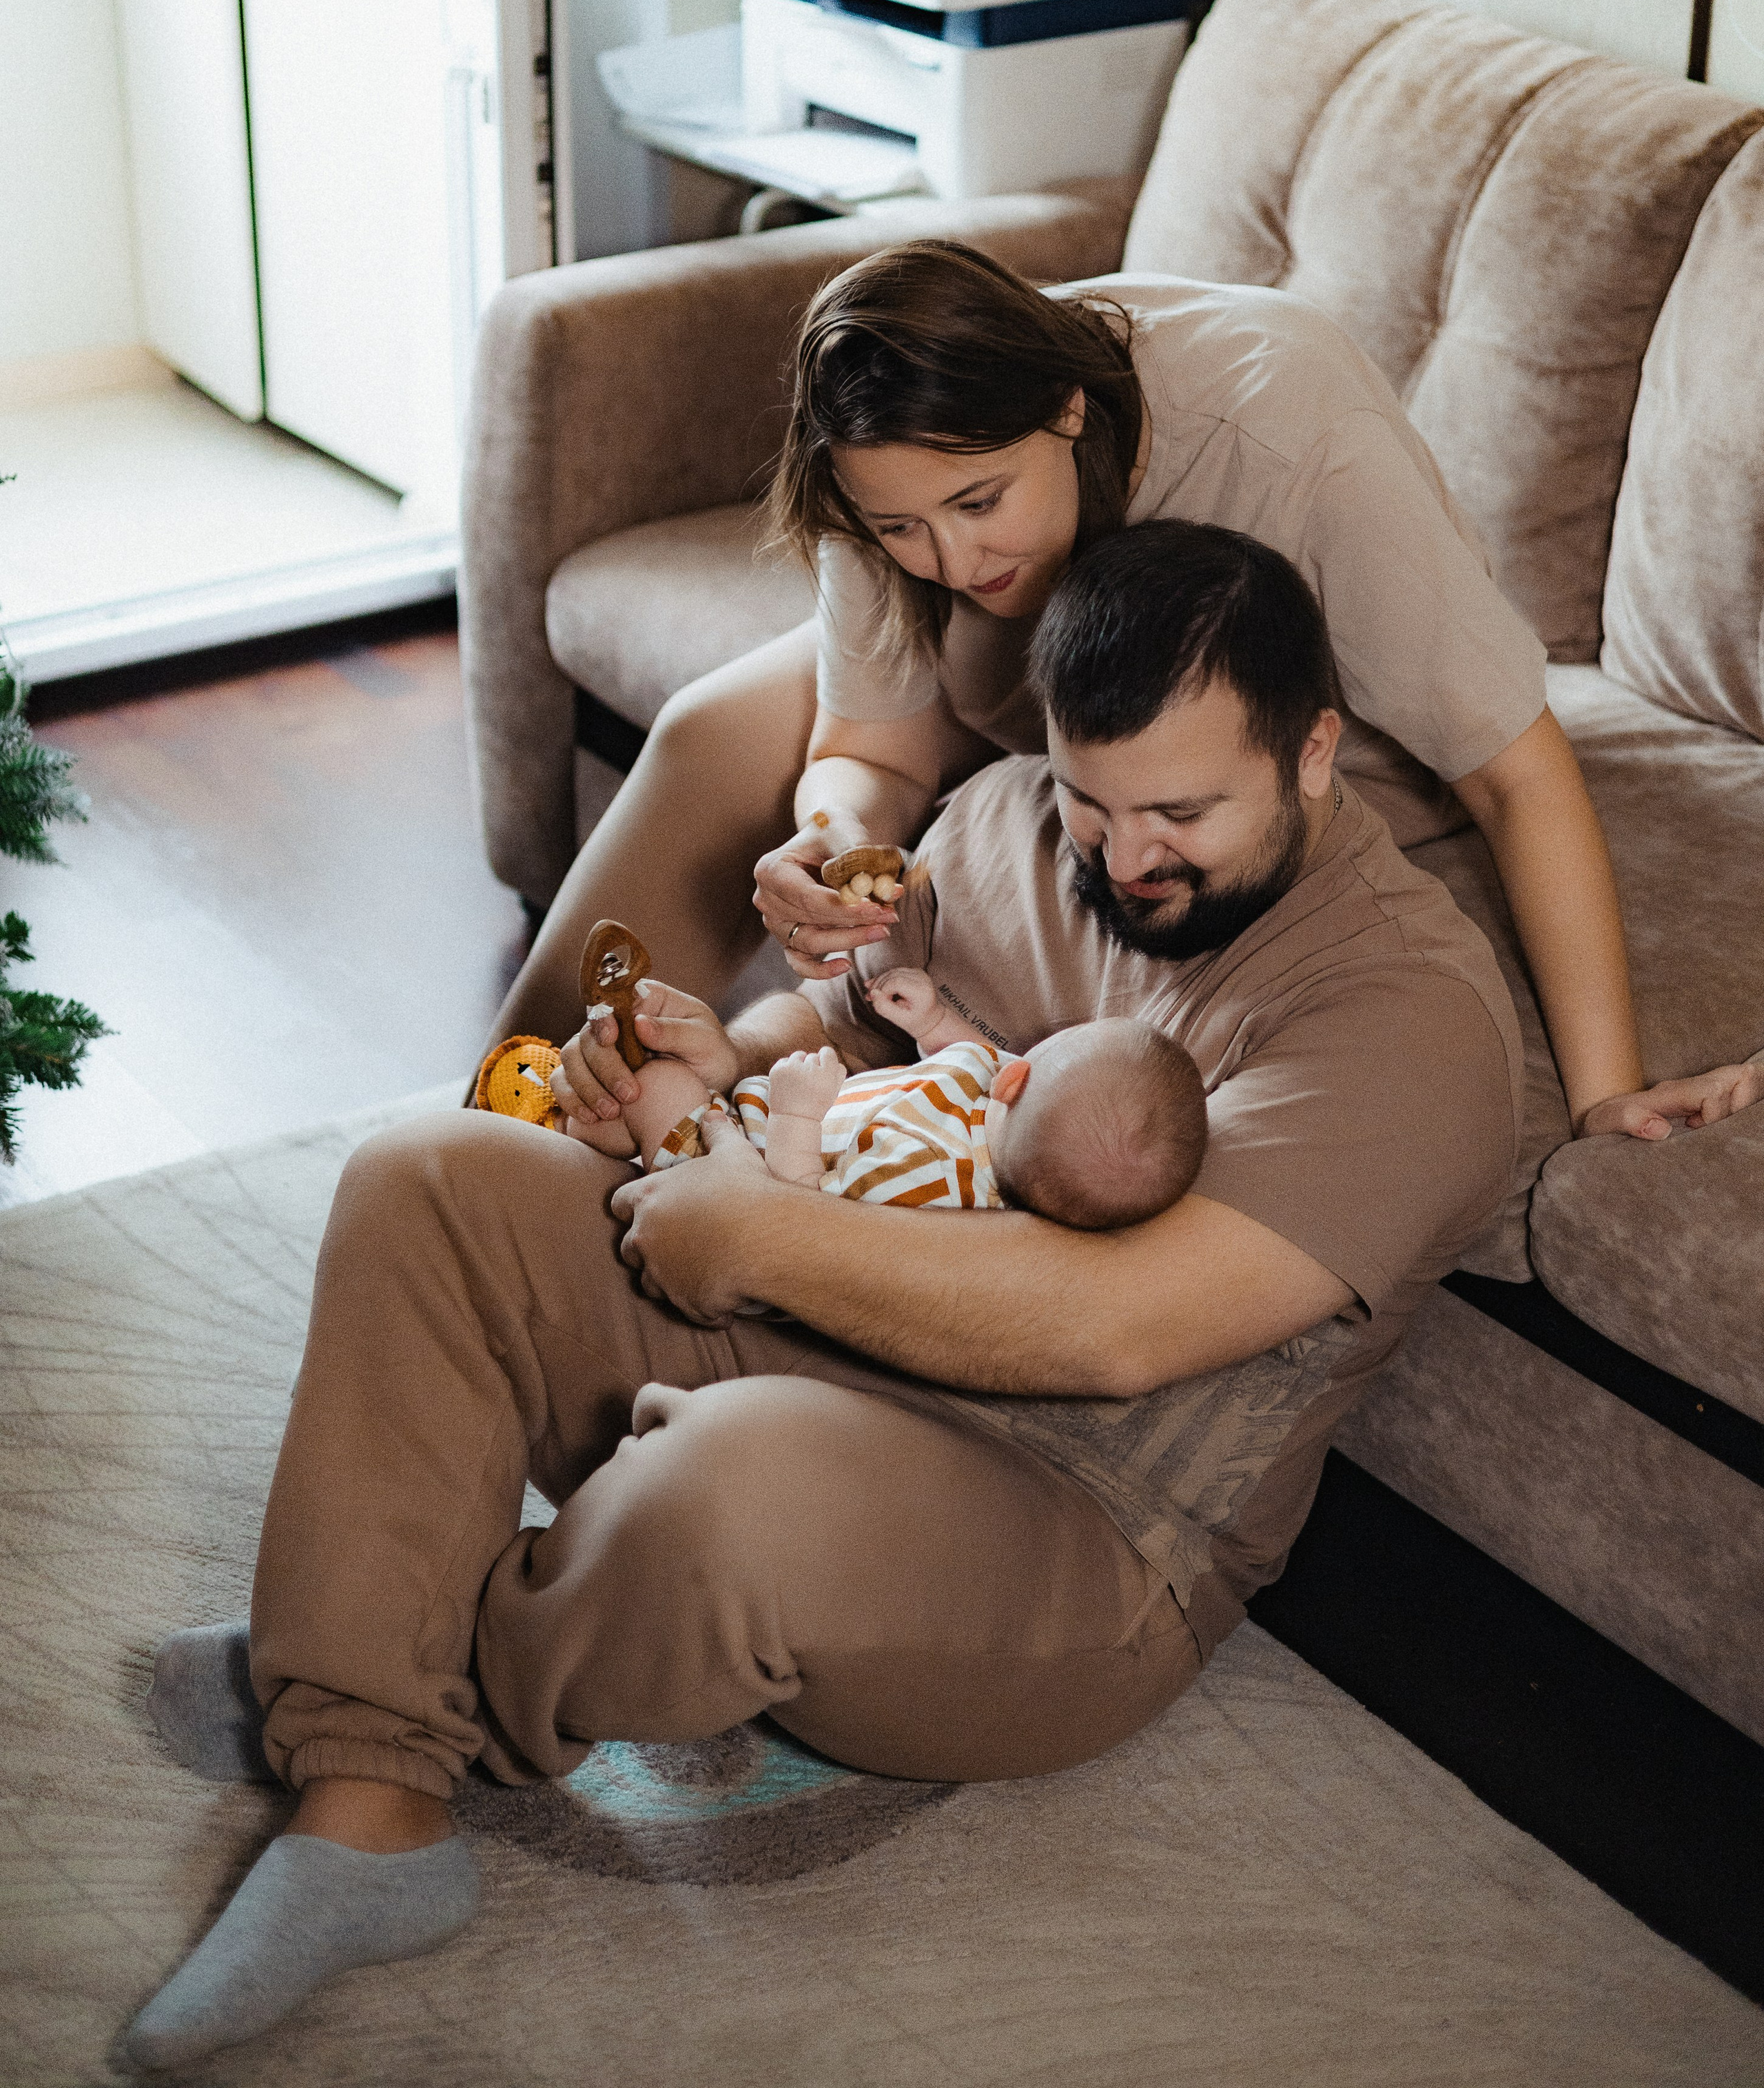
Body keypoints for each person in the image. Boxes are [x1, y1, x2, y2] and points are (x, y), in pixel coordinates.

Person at [127, 522, 1524, 2069]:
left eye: (1181, 812)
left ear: (1313, 750)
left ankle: (389, 1653)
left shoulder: (1410, 1015)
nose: (1125, 857)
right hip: (832, 1318)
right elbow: (858, 1021)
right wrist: (720, 1056)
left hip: (1081, 1528)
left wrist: (751, 1237)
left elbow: (1119, 1325)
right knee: (427, 1176)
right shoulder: (1008, 819)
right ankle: (371, 1803)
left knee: (724, 1495)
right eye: (1090, 798)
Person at [489, 240, 1758, 1147]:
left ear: (1068, 407)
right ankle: (523, 1111)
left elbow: (1513, 769)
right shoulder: (888, 468)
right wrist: (834, 843)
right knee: (717, 728)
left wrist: (1606, 1098)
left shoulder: (1291, 434)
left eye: (981, 504)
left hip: (1267, 764)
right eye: (902, 531)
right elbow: (867, 742)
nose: (954, 559)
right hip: (1025, 706)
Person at [576, 974, 1207, 1230]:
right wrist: (930, 1018)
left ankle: (601, 1142)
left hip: (740, 1164)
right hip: (762, 1104)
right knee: (648, 1091)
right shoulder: (993, 1080)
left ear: (1020, 1080)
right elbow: (954, 1056)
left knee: (659, 1086)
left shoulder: (931, 1179)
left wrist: (797, 1115)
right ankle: (598, 1135)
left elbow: (808, 1219)